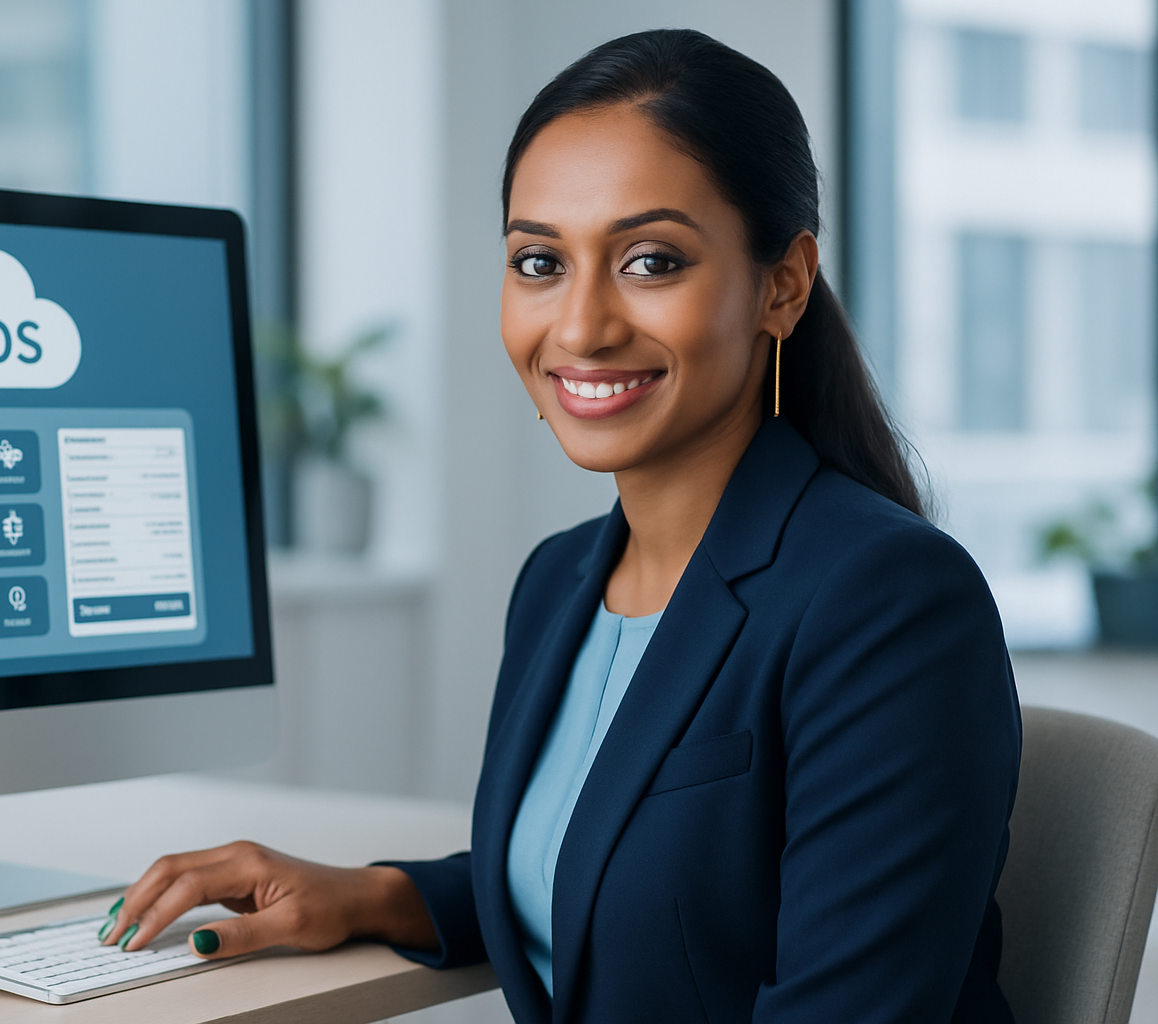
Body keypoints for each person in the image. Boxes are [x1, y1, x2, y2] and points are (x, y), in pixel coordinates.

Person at [98, 28, 1021, 1024]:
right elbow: (603, 866)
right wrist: (368, 893)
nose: (580, 326)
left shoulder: (886, 600)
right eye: (539, 261)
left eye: (651, 261)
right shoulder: (559, 582)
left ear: (783, 284)